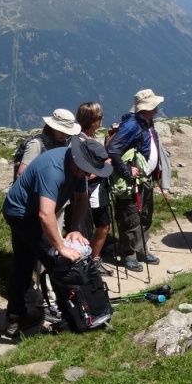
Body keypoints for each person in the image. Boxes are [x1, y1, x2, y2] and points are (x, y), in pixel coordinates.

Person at [2, 135, 112, 338]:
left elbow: (81, 198)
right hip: (21, 214)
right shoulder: (53, 169)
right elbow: (45, 214)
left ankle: (16, 317)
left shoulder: (78, 168)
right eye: (88, 171)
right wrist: (61, 248)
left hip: (32, 212)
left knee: (23, 263)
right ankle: (72, 316)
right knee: (60, 262)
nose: (89, 175)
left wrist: (76, 228)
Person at [106, 89, 170, 273]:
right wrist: (126, 171)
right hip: (133, 181)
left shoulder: (146, 122)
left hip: (146, 177)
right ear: (147, 108)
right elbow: (113, 149)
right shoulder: (132, 126)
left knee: (145, 215)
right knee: (131, 216)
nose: (158, 107)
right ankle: (129, 255)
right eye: (154, 104)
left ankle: (141, 250)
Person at [70, 102, 113, 274]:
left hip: (99, 191)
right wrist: (103, 169)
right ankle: (84, 265)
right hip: (86, 192)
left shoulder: (90, 138)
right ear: (91, 120)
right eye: (99, 116)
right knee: (85, 230)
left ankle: (93, 260)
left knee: (105, 226)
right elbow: (80, 174)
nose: (102, 118)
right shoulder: (78, 142)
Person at [15, 109, 81, 179]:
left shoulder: (65, 145)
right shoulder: (36, 144)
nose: (64, 134)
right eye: (60, 130)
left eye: (67, 132)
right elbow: (21, 174)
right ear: (52, 128)